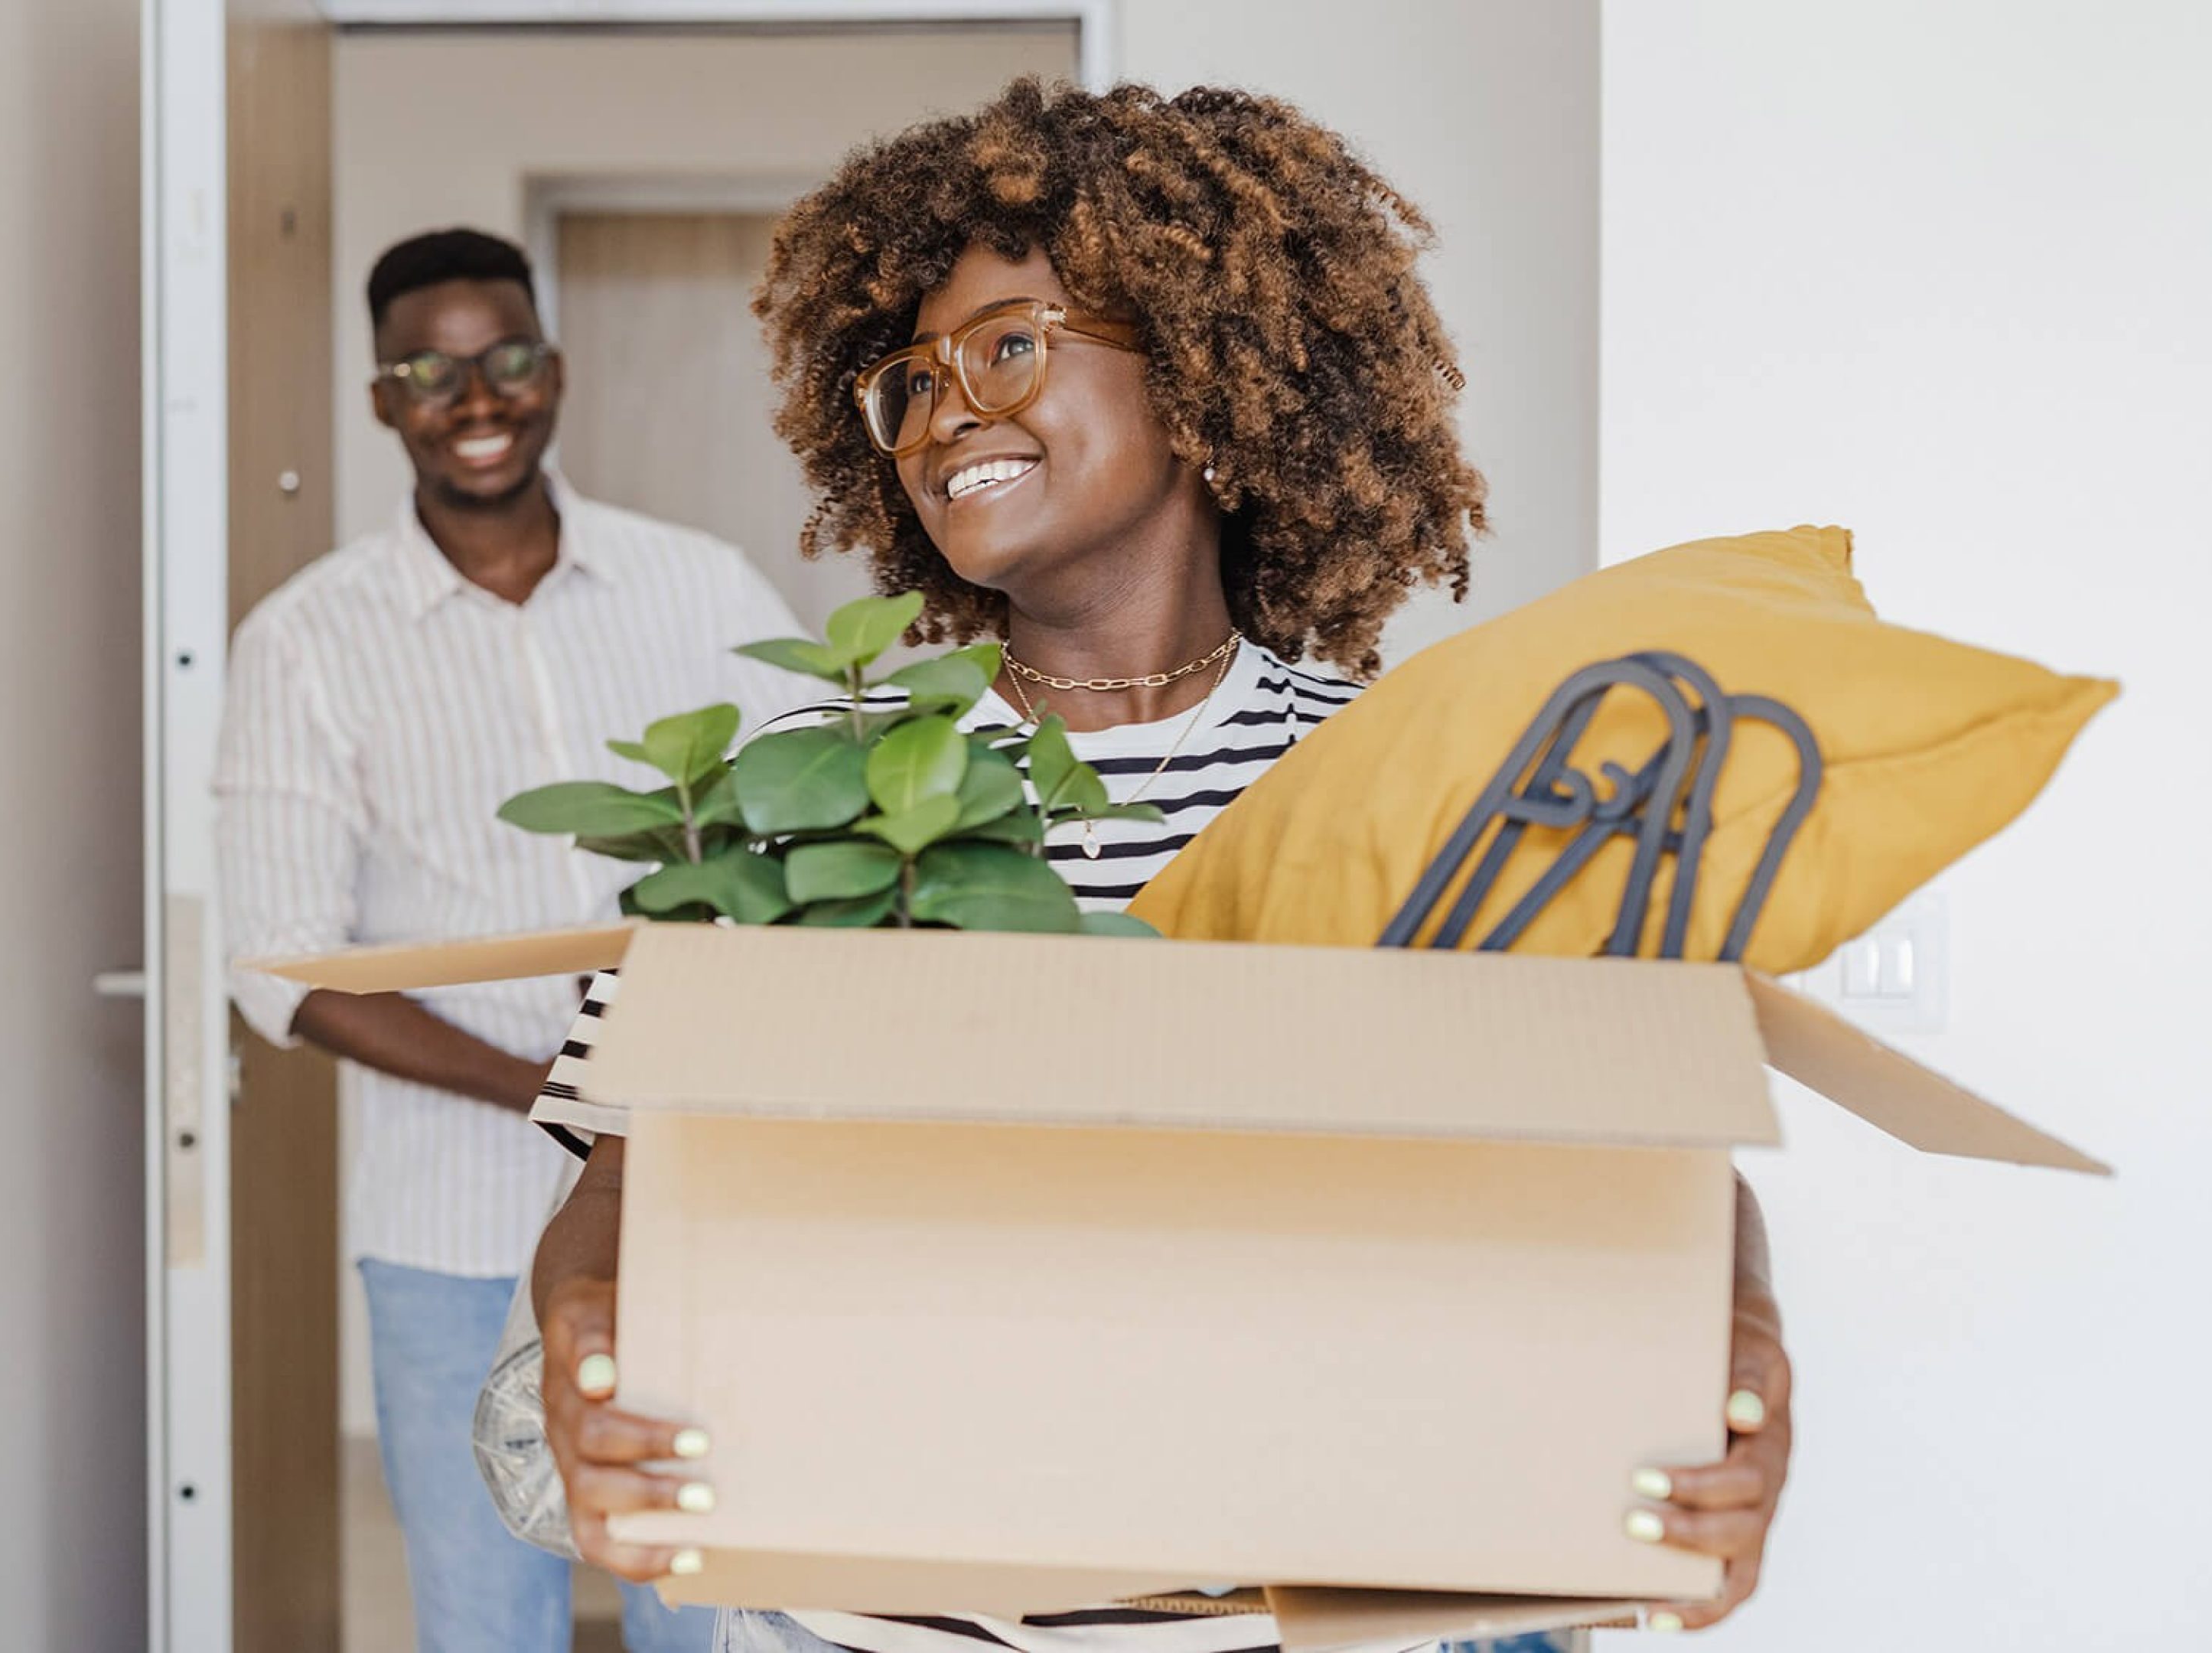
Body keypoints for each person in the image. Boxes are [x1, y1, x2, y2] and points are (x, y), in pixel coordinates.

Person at [522, 83, 1795, 1653]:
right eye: (905, 383)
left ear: (1199, 377)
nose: (941, 416)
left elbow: (1650, 1153)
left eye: (1008, 346)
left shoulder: (1424, 780)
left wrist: (1733, 1340)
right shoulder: (792, 785)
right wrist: (586, 1327)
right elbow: (626, 1173)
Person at [217, 227, 800, 1653]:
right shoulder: (306, 641)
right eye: (431, 369)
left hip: (692, 1210)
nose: (476, 400)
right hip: (447, 1237)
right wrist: (554, 1093)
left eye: (507, 361)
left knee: (715, 1607)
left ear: (554, 371)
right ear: (382, 398)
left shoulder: (702, 587)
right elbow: (277, 963)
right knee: (487, 1626)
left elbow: (806, 840)